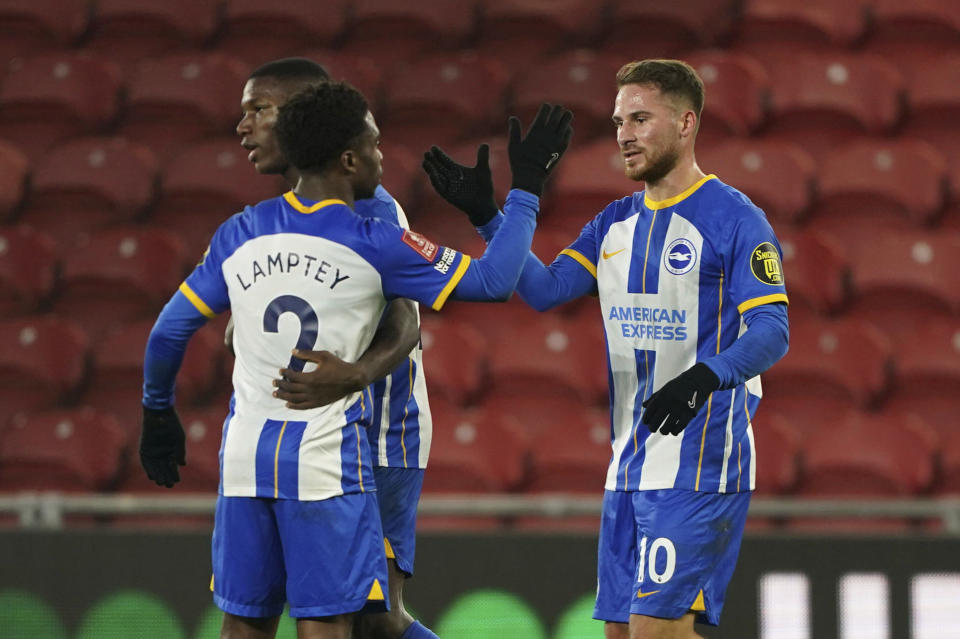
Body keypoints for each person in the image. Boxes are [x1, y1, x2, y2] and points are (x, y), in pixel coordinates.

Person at [140, 80, 573, 639]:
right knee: (334, 625)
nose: (381, 155)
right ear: (348, 159)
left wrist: (157, 410)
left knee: (243, 626)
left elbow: (169, 329)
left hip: (244, 464)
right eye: (373, 145)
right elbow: (494, 281)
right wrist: (525, 192)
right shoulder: (375, 242)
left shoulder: (237, 233)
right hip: (326, 468)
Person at [423, 59, 789, 639]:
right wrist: (488, 217)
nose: (623, 133)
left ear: (687, 122)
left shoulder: (736, 219)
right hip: (628, 468)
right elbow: (543, 291)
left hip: (700, 466)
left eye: (640, 118)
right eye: (619, 120)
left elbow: (773, 330)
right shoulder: (613, 222)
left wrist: (705, 377)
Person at [235, 57, 433, 639]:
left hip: (379, 434)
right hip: (311, 439)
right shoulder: (278, 216)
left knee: (374, 619)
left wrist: (355, 374)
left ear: (301, 115)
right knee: (339, 614)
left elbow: (406, 324)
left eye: (259, 110)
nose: (243, 127)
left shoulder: (368, 206)